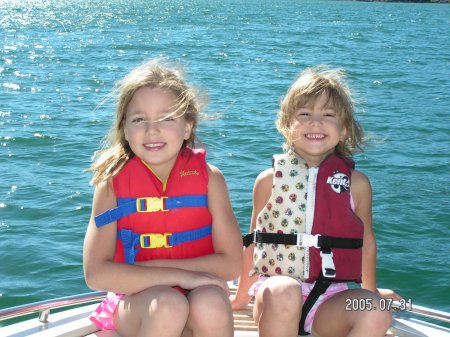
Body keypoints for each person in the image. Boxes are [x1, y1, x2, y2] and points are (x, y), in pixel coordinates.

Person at [231, 66, 398, 337]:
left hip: (331, 297)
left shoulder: (357, 184)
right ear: (286, 125)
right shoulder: (267, 180)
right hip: (274, 293)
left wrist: (371, 292)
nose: (316, 123)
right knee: (285, 290)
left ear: (343, 130)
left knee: (376, 309)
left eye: (328, 115)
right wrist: (240, 299)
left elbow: (366, 244)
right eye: (304, 114)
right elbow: (253, 243)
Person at [83, 59, 243, 337]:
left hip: (199, 295)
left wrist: (159, 269)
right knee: (168, 304)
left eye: (167, 117)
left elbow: (231, 264)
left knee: (213, 302)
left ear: (187, 127)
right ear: (124, 128)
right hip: (136, 304)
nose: (152, 129)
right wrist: (180, 276)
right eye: (139, 119)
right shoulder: (111, 185)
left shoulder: (211, 180)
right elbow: (96, 273)